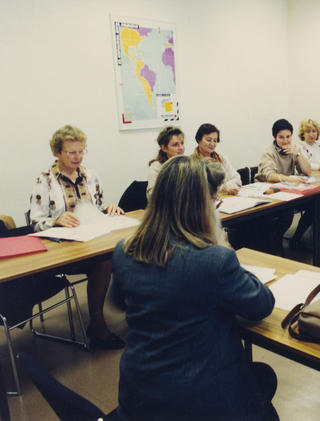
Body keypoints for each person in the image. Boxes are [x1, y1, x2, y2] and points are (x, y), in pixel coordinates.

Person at [112, 156, 277, 420]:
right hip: (198, 403)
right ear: (201, 205)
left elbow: (120, 303)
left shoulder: (125, 250)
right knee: (264, 389)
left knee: (261, 377)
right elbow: (261, 304)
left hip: (139, 396)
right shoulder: (215, 260)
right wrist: (223, 246)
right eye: (214, 200)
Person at [29, 124, 125, 349]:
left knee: (121, 252)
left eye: (81, 151)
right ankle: (97, 326)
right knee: (104, 261)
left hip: (91, 241)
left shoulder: (90, 176)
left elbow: (96, 209)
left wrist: (107, 209)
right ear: (57, 152)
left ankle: (135, 311)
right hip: (61, 249)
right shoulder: (45, 180)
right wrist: (56, 220)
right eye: (71, 152)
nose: (78, 157)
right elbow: (34, 222)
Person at [255, 119, 312, 254]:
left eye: (288, 137)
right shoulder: (268, 152)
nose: (285, 141)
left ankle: (296, 239)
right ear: (274, 137)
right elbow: (270, 175)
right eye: (281, 137)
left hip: (288, 191)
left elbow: (307, 171)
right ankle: (276, 243)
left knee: (316, 204)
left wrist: (298, 154)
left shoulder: (293, 149)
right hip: (268, 192)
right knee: (287, 213)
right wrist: (290, 179)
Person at [193, 123, 242, 194]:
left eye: (215, 141)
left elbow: (237, 179)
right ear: (198, 140)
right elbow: (200, 188)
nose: (212, 144)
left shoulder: (221, 158)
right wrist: (223, 188)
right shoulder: (192, 162)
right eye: (208, 140)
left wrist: (227, 187)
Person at [147, 126, 185, 200]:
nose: (181, 148)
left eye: (182, 143)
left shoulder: (188, 165)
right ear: (164, 148)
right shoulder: (157, 167)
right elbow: (152, 195)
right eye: (175, 145)